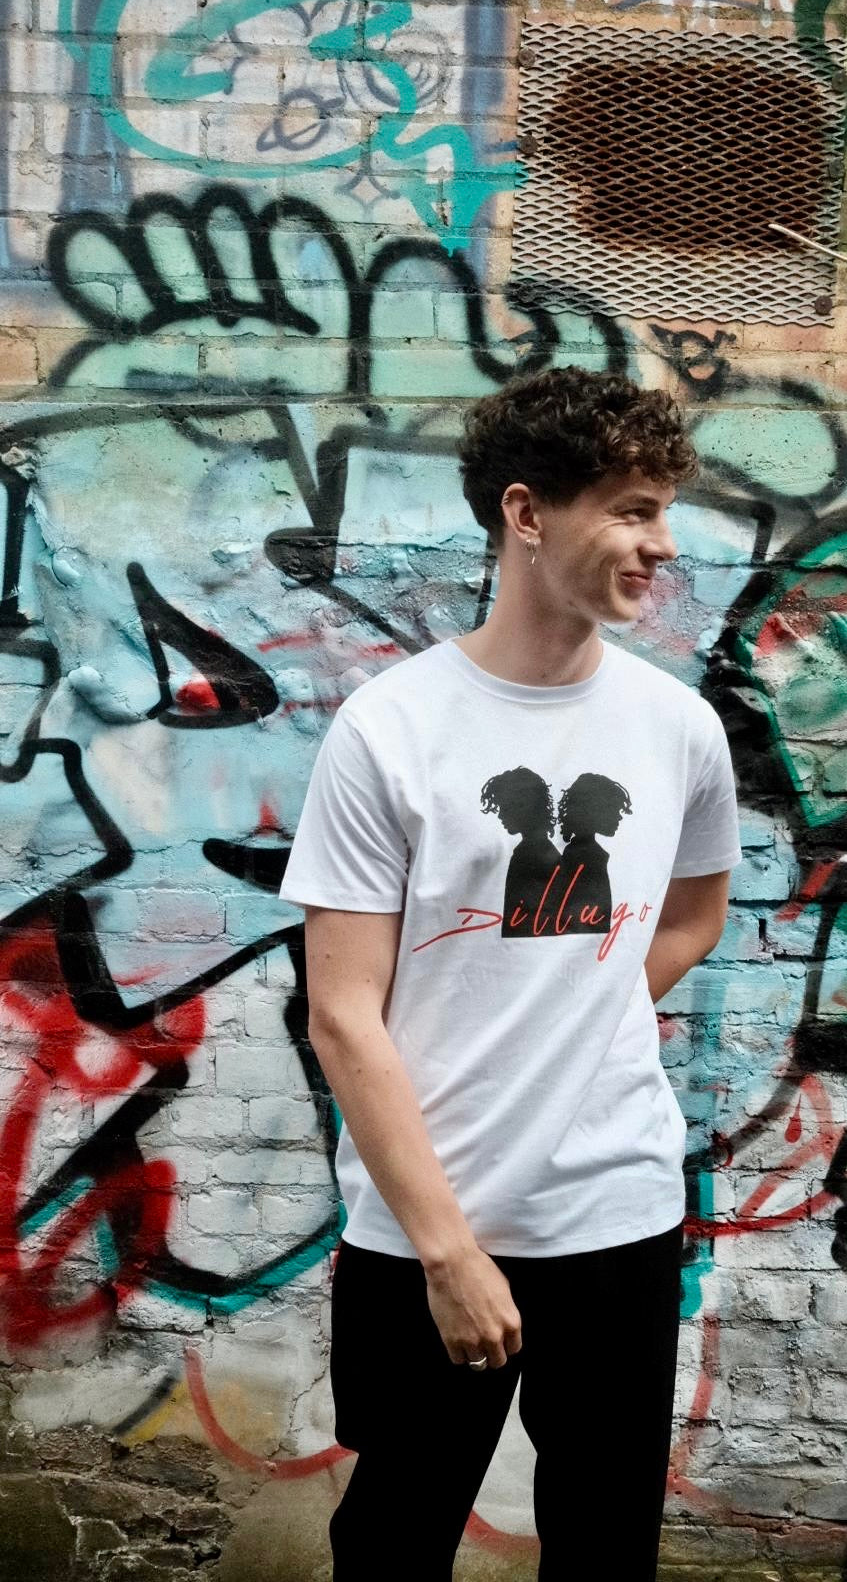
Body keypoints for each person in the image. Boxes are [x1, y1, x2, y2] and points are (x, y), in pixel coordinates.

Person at [278, 366, 742, 1581]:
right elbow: (341, 1013)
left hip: (617, 1216)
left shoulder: (675, 726)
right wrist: (447, 1251)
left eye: (663, 510)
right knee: (392, 1539)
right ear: (527, 515)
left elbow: (695, 912)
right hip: (424, 1231)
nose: (662, 542)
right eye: (632, 509)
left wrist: (586, 1008)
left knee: (603, 1547)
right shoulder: (393, 727)